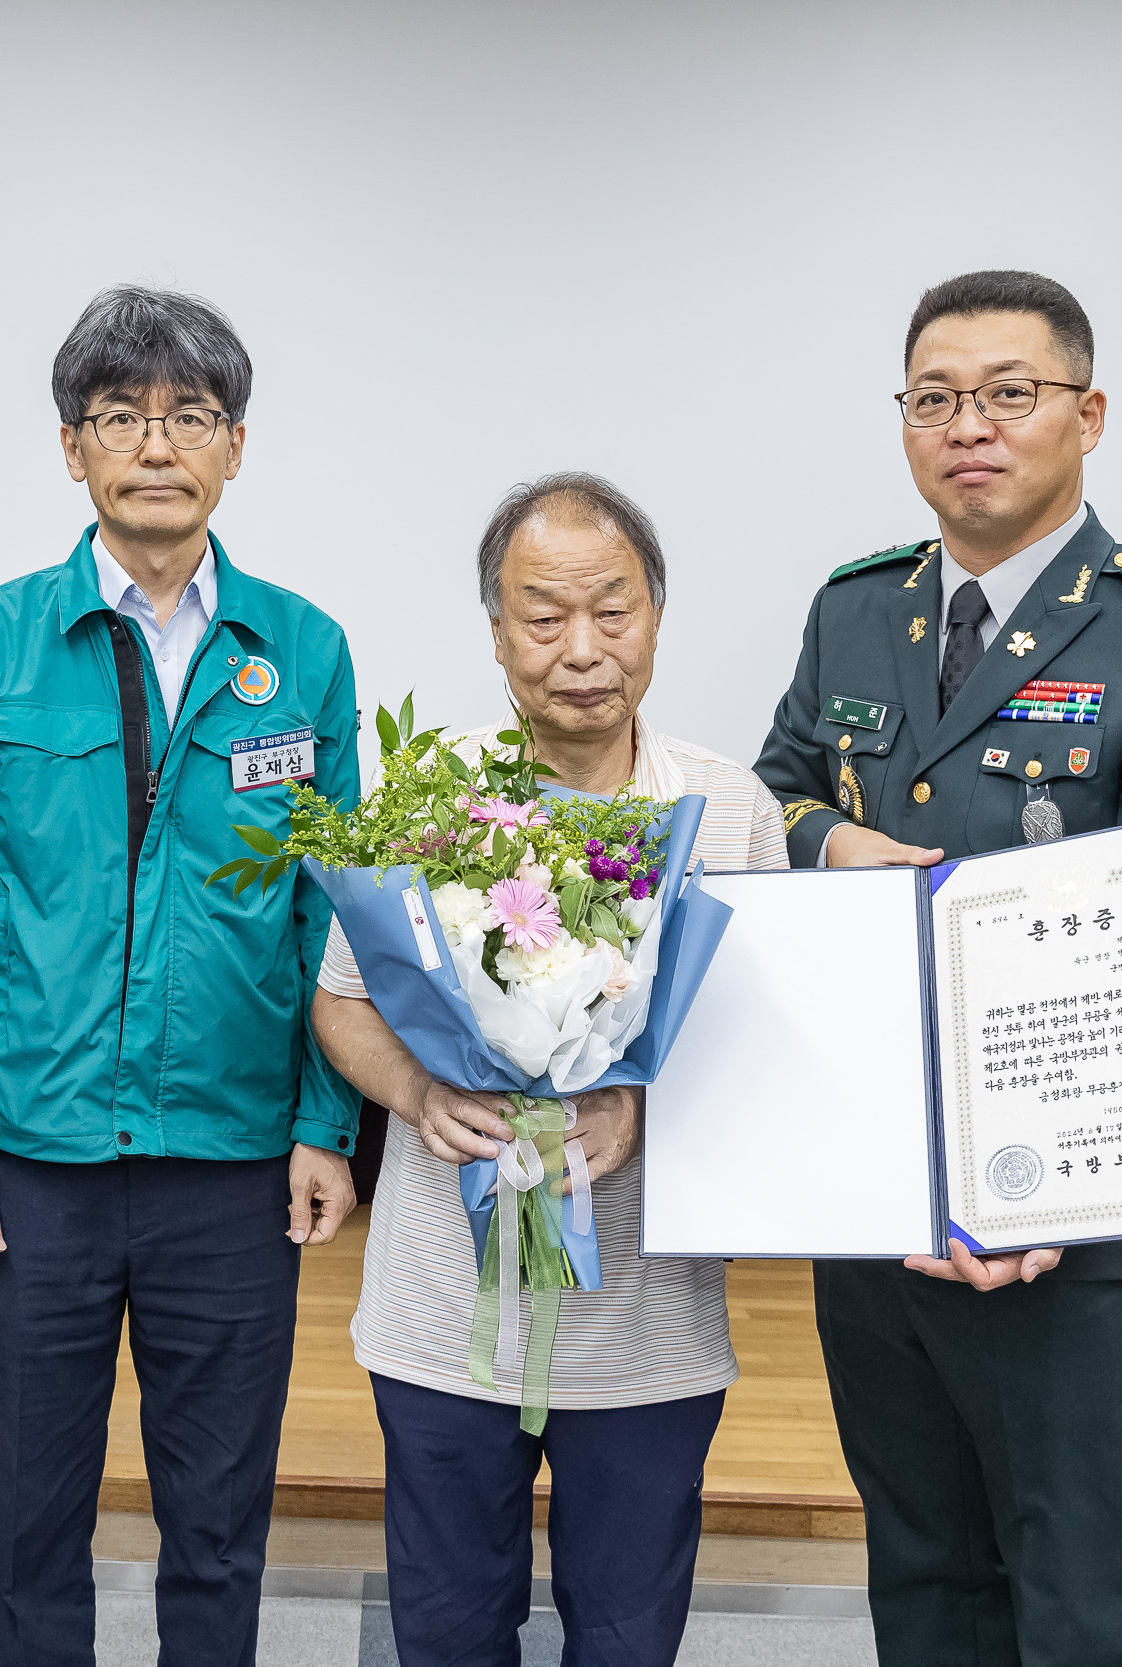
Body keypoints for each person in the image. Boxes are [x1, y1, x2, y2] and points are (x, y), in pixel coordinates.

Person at [753, 270, 1122, 1666]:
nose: (967, 426)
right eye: (934, 399)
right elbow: (777, 795)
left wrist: (1041, 1186)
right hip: (869, 1189)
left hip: (1062, 1212)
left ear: (1087, 414)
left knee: (1078, 1583)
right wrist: (831, 842)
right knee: (920, 1565)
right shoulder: (857, 610)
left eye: (1008, 394)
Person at [0, 284, 362, 1667]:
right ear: (71, 446)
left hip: (228, 1160)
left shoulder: (304, 648)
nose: (156, 445)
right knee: (32, 1524)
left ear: (235, 445)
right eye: (121, 416)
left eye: (189, 416)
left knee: (219, 1525)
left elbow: (331, 913)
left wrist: (325, 1123)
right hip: (30, 1160)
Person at [311, 474, 786, 1667]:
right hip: (441, 1313)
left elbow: (764, 1047)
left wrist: (638, 1097)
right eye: (543, 616)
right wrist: (422, 1093)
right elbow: (340, 1003)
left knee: (626, 1636)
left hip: (648, 1327)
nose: (581, 649)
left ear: (658, 618)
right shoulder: (425, 796)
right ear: (495, 631)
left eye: (612, 612)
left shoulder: (728, 809)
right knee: (447, 1630)